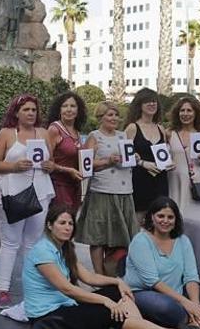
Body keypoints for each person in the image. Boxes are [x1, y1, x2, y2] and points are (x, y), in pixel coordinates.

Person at [11, 204, 163, 329]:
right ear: (50, 225)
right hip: (49, 315)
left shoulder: (64, 248)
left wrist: (118, 281)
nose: (67, 228)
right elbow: (68, 289)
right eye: (62, 223)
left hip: (65, 304)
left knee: (118, 292)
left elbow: (88, 277)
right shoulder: (43, 251)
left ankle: (139, 324)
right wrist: (105, 300)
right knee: (111, 311)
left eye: (70, 223)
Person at [125, 197, 200, 329]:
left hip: (177, 291)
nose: (165, 221)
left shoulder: (183, 240)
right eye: (160, 216)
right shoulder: (141, 241)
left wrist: (195, 305)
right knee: (167, 307)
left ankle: (195, 324)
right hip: (143, 292)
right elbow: (152, 281)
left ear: (176, 219)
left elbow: (191, 276)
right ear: (152, 217)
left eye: (170, 217)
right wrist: (186, 303)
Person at [0, 93, 56, 309]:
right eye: (26, 109)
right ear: (16, 112)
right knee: (10, 242)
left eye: (34, 110)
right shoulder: (6, 134)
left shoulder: (44, 133)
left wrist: (50, 166)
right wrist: (13, 167)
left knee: (33, 242)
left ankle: (32, 286)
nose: (30, 113)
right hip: (13, 193)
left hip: (40, 191)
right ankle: (3, 289)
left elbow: (51, 160)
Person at [75, 101, 138, 275]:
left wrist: (135, 157)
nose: (114, 118)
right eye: (110, 115)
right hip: (102, 190)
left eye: (116, 115)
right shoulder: (94, 136)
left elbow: (129, 158)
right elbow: (85, 164)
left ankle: (113, 271)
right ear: (100, 117)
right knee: (98, 236)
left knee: (122, 236)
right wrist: (107, 161)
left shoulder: (123, 135)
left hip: (124, 190)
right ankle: (98, 275)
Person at [167, 97, 200, 284]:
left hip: (198, 185)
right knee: (178, 230)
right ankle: (177, 277)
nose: (185, 114)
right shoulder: (169, 134)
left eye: (189, 111)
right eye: (182, 110)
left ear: (196, 113)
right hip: (175, 184)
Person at [125, 88, 172, 222]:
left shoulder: (160, 128)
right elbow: (125, 155)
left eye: (154, 101)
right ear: (139, 105)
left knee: (158, 221)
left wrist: (169, 162)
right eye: (147, 102)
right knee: (137, 222)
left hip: (160, 181)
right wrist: (143, 163)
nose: (152, 104)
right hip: (139, 180)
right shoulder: (132, 128)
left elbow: (163, 154)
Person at [47, 91, 87, 211]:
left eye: (73, 106)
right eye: (65, 106)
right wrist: (68, 170)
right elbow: (47, 163)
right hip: (59, 186)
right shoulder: (54, 129)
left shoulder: (77, 132)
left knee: (72, 223)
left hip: (75, 185)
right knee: (62, 221)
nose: (69, 110)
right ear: (59, 110)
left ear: (78, 110)